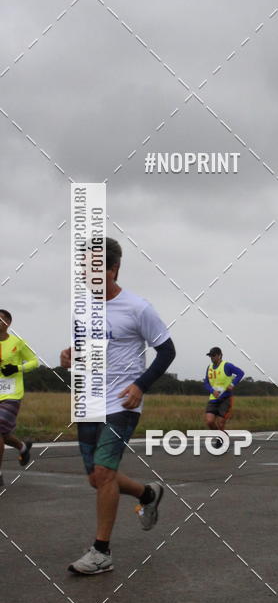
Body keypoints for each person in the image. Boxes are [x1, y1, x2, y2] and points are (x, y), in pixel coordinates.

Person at [60, 238, 176, 575]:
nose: (88, 275)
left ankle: (101, 552)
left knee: (105, 473)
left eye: (95, 268)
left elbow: (166, 351)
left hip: (123, 403)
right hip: (90, 402)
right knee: (97, 479)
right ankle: (147, 494)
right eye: (84, 268)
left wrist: (141, 385)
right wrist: (70, 355)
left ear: (114, 269)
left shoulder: (139, 308)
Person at [0, 309, 38, 487]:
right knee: (4, 434)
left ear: (8, 323)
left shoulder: (18, 342)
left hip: (11, 395)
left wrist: (16, 369)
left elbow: (34, 361)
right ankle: (23, 447)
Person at [204, 347, 245, 448]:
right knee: (209, 421)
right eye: (210, 356)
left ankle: (220, 440)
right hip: (213, 398)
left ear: (219, 355)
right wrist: (212, 391)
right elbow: (206, 382)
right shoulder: (209, 367)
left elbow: (240, 373)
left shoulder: (227, 366)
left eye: (213, 355)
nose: (212, 358)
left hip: (225, 399)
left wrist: (233, 384)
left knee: (221, 422)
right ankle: (221, 436)